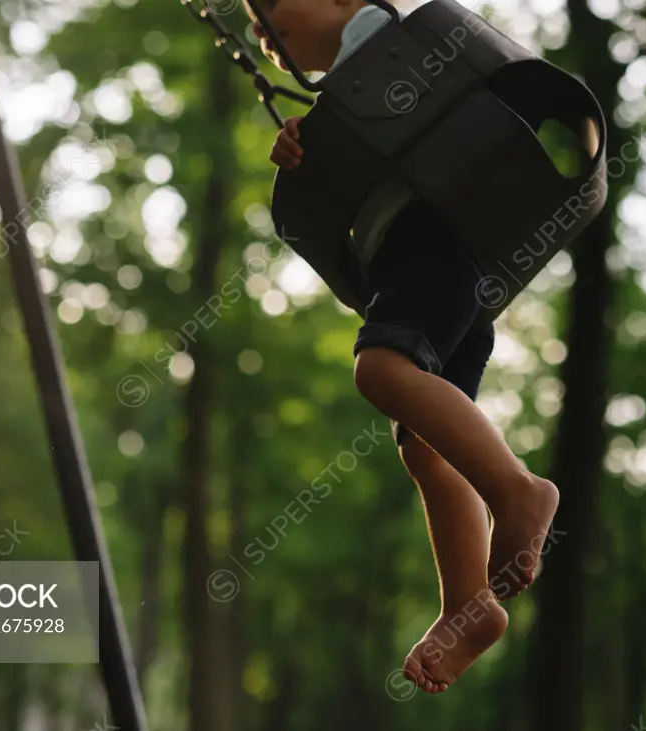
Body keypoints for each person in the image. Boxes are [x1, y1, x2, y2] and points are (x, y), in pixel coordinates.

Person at [243, 0, 560, 695]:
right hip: (434, 257)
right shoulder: (354, 80)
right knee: (425, 441)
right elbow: (359, 138)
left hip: (433, 235)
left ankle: (517, 489)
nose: (260, 31)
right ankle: (468, 604)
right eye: (255, 25)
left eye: (270, 8)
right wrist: (303, 141)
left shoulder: (376, 33)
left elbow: (402, 108)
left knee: (381, 368)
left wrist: (317, 131)